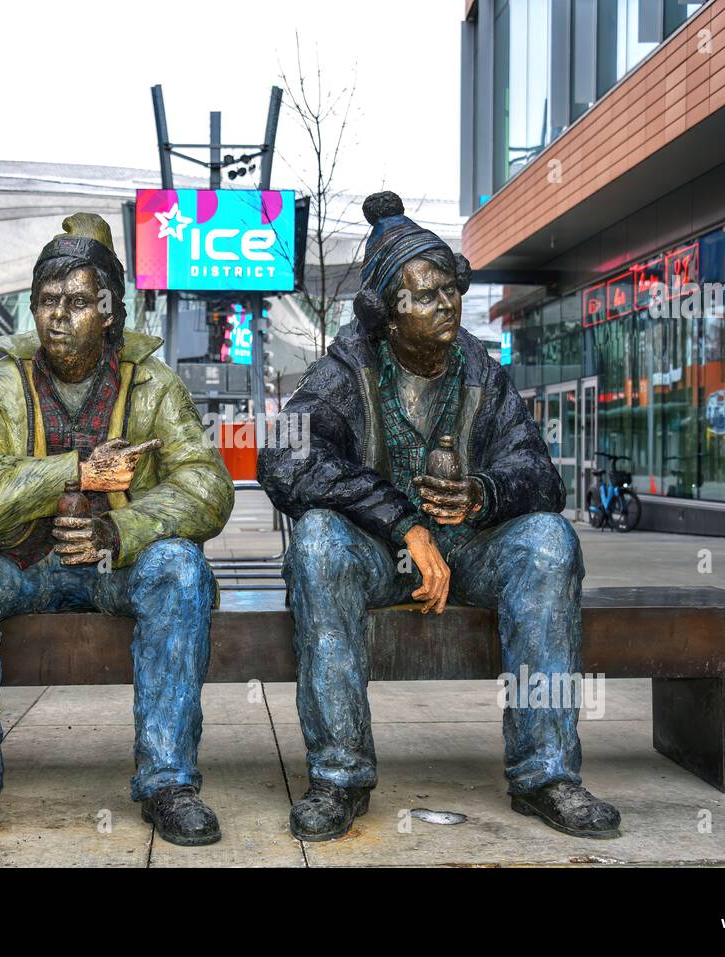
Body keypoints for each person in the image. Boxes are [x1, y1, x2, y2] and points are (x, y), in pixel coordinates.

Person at [257, 192, 621, 842]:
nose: (447, 304)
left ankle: (547, 773)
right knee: (316, 542)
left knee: (548, 541)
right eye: (425, 295)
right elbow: (283, 458)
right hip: (379, 554)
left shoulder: (481, 370)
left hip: (470, 548)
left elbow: (540, 476)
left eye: (450, 289)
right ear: (384, 316)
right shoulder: (348, 368)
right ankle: (340, 776)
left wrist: (483, 494)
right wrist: (403, 522)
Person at [0, 213, 234, 848]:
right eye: (47, 302)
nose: (59, 316)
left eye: (77, 302)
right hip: (23, 568)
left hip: (114, 569)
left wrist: (122, 530)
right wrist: (70, 471)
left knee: (181, 568)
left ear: (110, 312)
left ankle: (168, 782)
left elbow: (208, 487)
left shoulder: (153, 386)